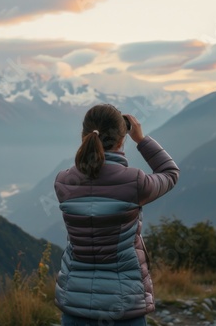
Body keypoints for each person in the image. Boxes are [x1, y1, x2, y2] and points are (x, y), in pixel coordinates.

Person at [54, 103, 180, 326]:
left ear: (84, 136)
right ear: (122, 140)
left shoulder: (64, 182)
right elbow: (170, 173)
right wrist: (141, 140)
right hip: (123, 308)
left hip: (75, 305)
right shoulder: (135, 182)